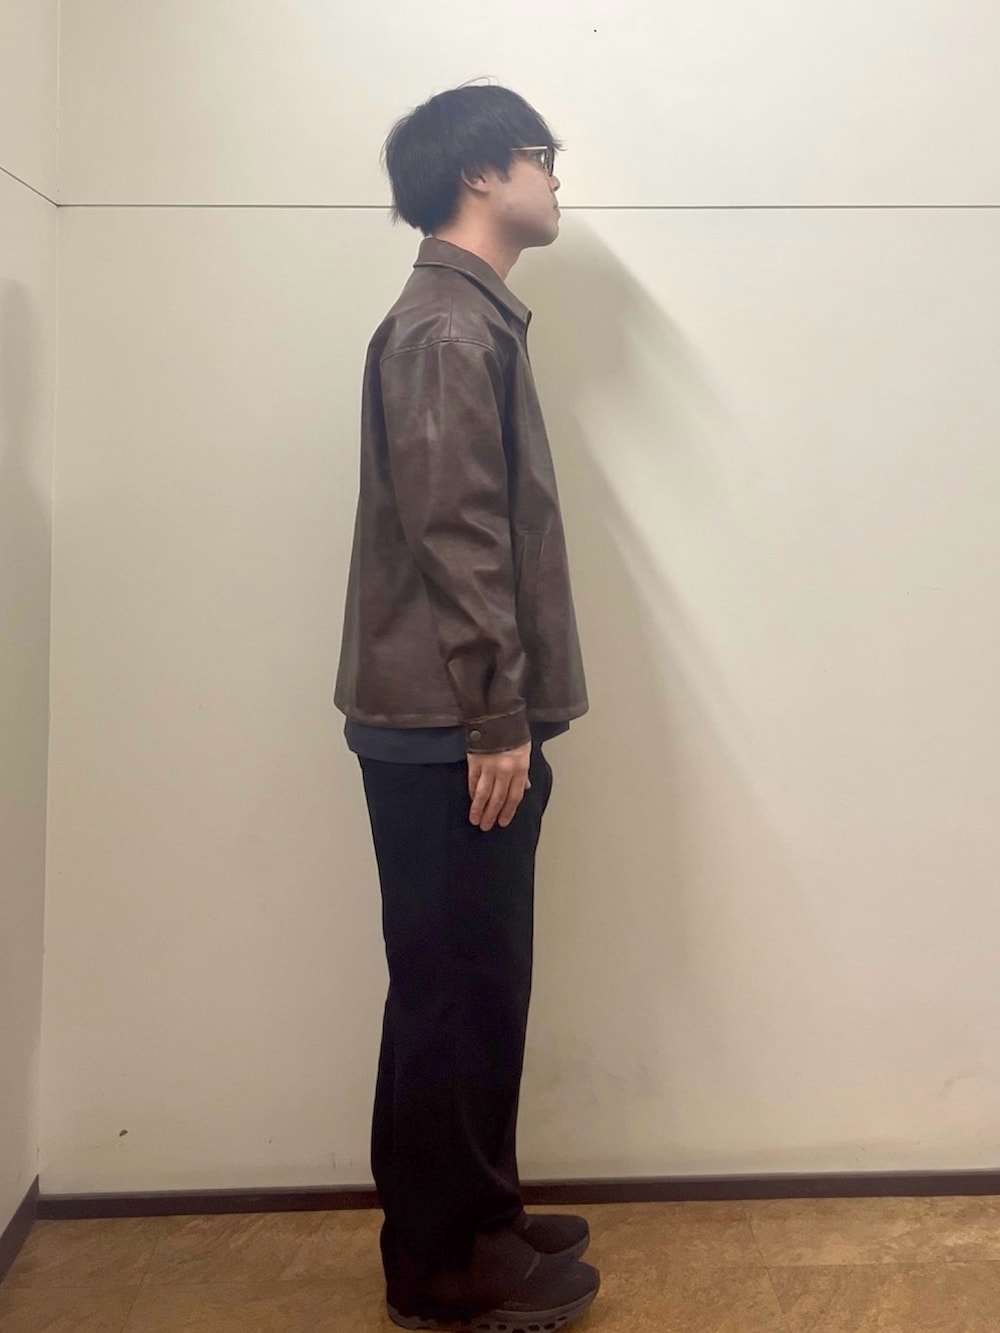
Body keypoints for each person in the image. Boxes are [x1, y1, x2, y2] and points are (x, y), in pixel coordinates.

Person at [334, 80, 598, 1332]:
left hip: (458, 719)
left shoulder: (465, 317)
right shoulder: (446, 327)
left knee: (466, 984)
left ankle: (474, 1217)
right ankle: (445, 1265)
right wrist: (496, 715)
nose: (557, 176)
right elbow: (458, 532)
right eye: (542, 155)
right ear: (480, 172)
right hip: (452, 726)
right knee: (454, 993)